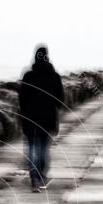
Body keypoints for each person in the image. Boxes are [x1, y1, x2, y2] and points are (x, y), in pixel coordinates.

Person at [18, 45, 65, 192]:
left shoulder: (28, 76)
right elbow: (60, 100)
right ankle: (40, 175)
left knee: (32, 147)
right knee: (43, 148)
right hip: (47, 117)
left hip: (31, 118)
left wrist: (25, 112)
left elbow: (22, 99)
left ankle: (34, 178)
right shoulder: (54, 76)